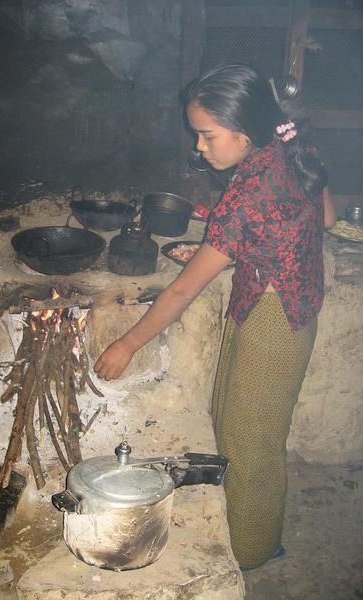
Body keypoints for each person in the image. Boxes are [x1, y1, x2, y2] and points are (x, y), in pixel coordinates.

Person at [94, 63, 336, 570]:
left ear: (245, 134)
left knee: (253, 444)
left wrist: (126, 345)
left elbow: (182, 291)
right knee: (232, 419)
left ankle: (253, 552)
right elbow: (327, 218)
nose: (198, 148)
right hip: (274, 303)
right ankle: (246, 528)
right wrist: (258, 248)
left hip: (277, 321)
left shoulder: (246, 197)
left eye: (207, 135)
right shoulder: (290, 149)